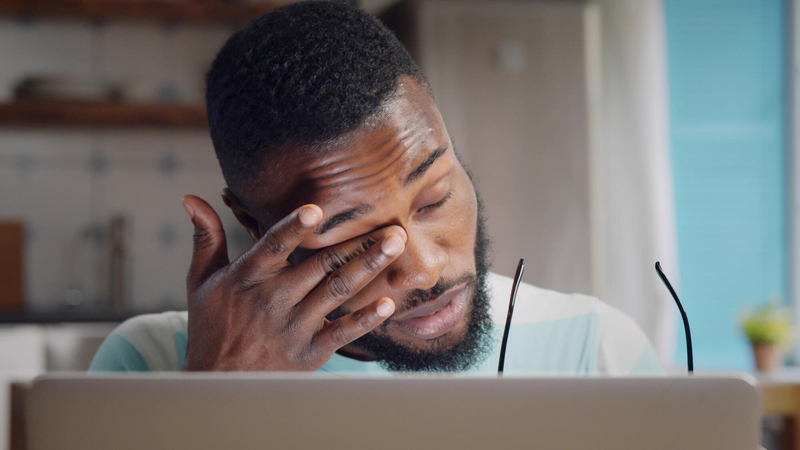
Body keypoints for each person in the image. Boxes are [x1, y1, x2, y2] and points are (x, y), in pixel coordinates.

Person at [90, 0, 662, 375]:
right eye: (358, 238)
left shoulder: (595, 349)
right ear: (256, 227)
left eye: (435, 197)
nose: (422, 270)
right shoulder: (149, 364)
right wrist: (212, 402)